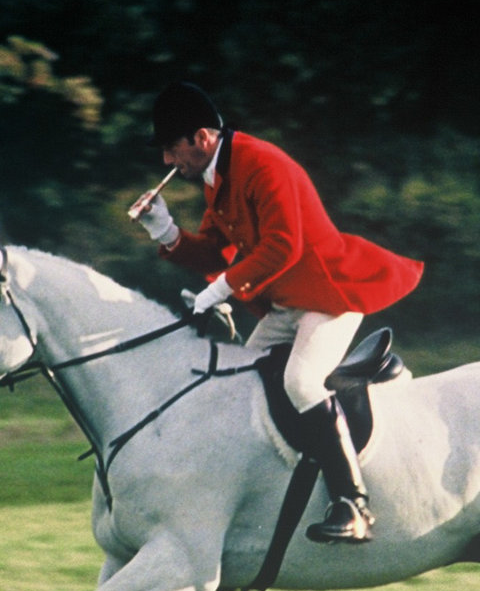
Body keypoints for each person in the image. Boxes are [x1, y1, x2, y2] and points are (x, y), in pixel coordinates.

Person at [130, 82, 423, 544]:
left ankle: (354, 505)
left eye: (172, 148)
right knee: (237, 386)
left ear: (202, 137)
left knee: (300, 382)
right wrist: (165, 231)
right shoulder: (219, 176)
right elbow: (214, 252)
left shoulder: (263, 163)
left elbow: (283, 246)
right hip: (288, 304)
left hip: (330, 295)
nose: (167, 161)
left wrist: (218, 292)